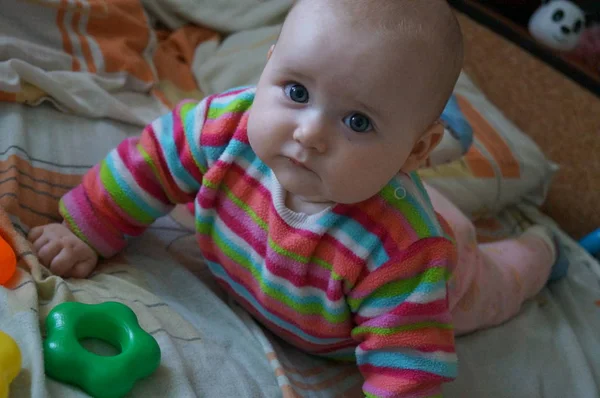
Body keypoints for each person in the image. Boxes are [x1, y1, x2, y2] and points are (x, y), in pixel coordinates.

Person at [27, 1, 568, 396]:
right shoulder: (227, 125)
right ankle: (416, 140)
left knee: (498, 279)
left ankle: (543, 250)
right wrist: (88, 226)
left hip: (448, 270)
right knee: (415, 193)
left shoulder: (407, 255)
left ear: (412, 150)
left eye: (357, 121)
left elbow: (409, 370)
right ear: (267, 67)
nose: (309, 133)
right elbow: (150, 164)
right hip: (377, 188)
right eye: (297, 91)